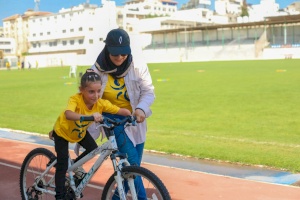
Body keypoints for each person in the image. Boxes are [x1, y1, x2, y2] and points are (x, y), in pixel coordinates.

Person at [84, 28, 155, 199]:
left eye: (124, 53)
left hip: (134, 122)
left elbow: (148, 91)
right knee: (134, 169)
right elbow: (87, 97)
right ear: (107, 49)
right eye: (115, 53)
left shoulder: (138, 66)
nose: (120, 57)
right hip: (113, 122)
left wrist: (141, 109)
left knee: (130, 169)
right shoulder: (97, 70)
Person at [49, 70, 131, 200]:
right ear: (81, 90)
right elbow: (68, 114)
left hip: (79, 133)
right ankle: (60, 196)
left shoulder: (100, 103)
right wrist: (88, 117)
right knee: (62, 165)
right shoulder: (75, 99)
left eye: (98, 91)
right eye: (91, 92)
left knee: (93, 149)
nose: (96, 95)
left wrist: (131, 115)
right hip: (62, 132)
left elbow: (119, 110)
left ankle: (74, 166)